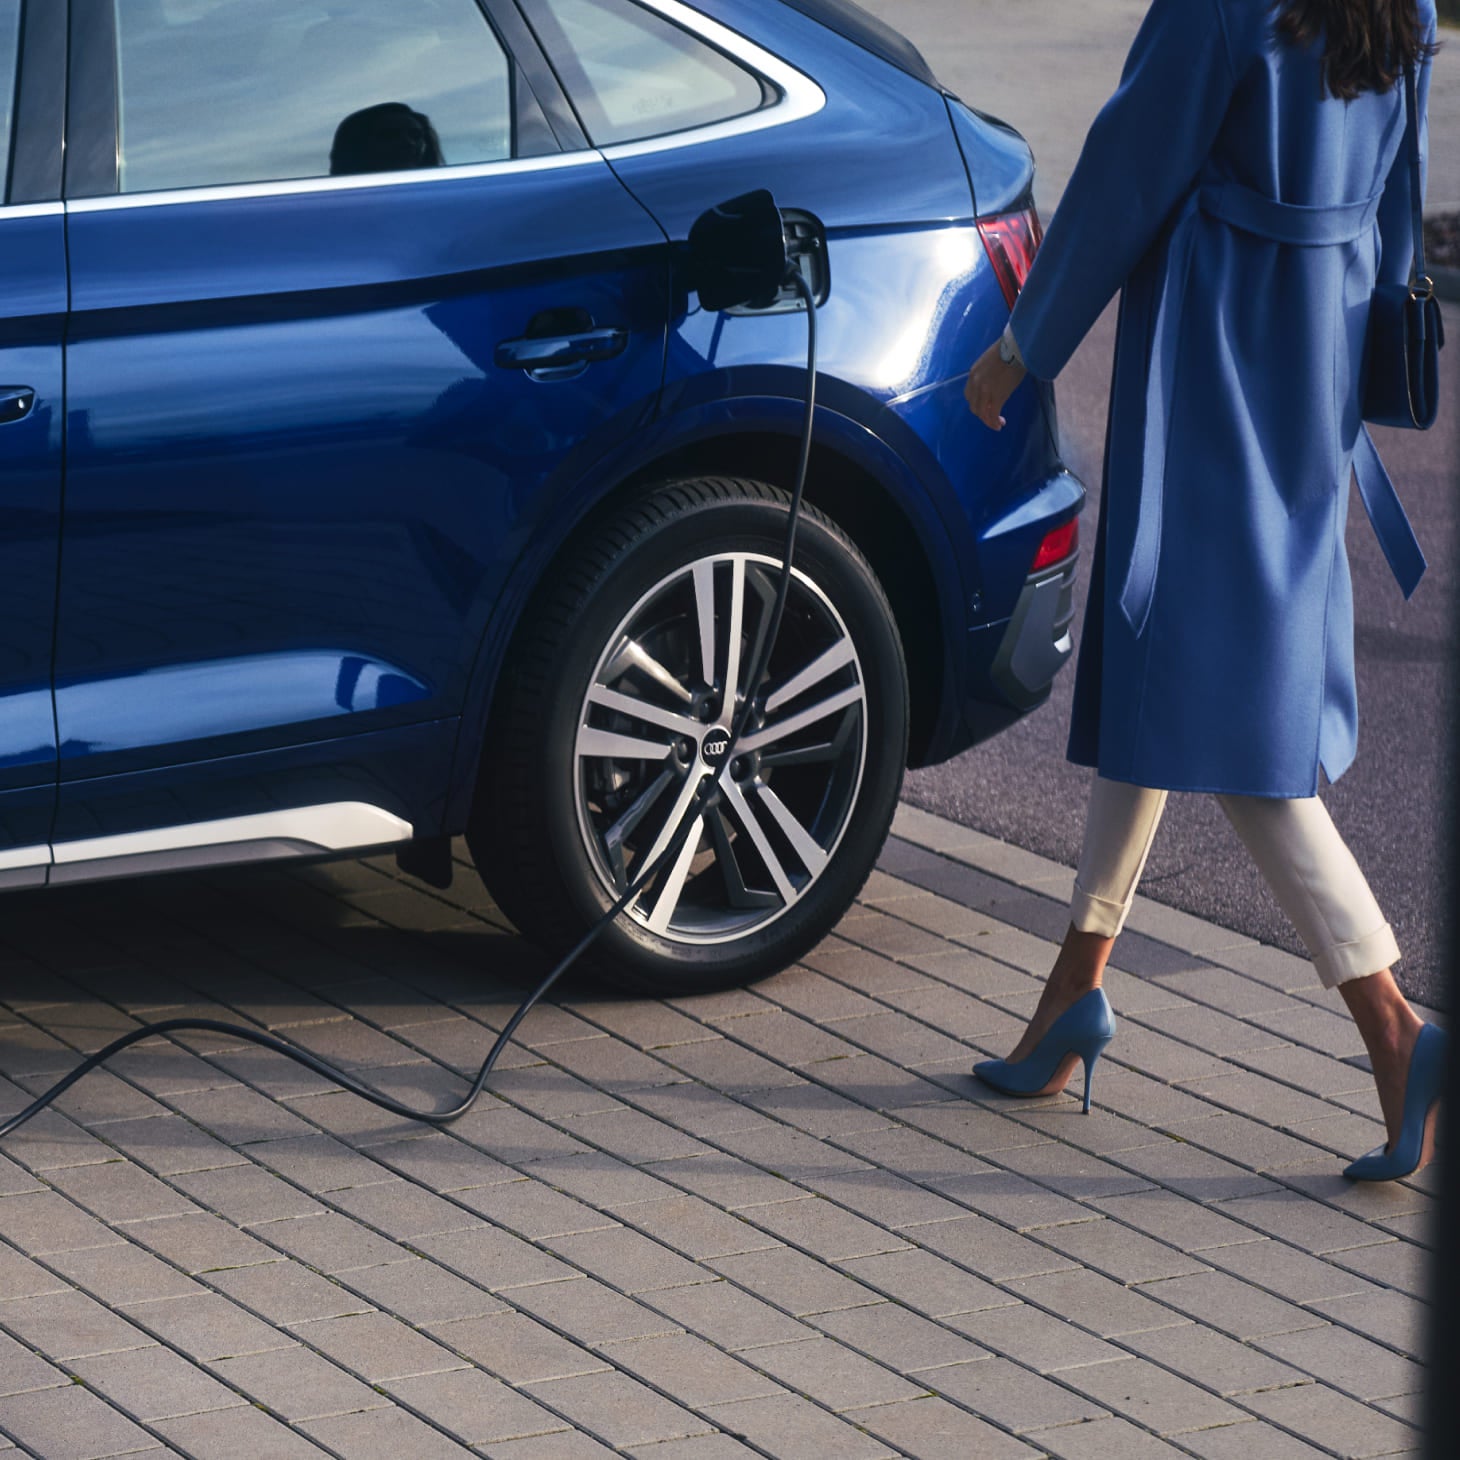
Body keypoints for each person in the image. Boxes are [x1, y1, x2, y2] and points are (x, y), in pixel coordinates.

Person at [962, 0, 1446, 1181]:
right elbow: (1399, 188)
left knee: (1215, 698)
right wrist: (1373, 332)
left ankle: (1392, 1020)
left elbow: (1125, 171)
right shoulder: (1403, 4)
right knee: (1166, 659)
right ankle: (1071, 991)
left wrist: (1022, 345)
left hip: (1216, 349)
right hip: (1316, 343)